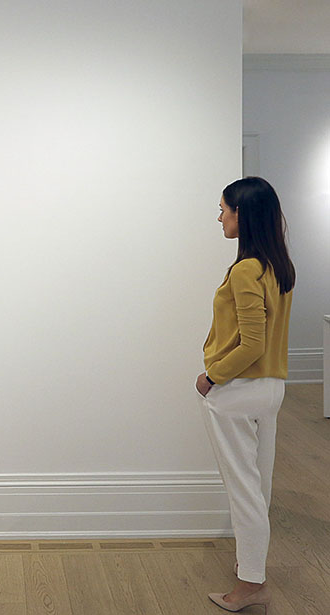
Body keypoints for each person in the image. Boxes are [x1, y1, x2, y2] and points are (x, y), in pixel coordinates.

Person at [195, 176, 295, 613]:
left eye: (223, 209)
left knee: (244, 491)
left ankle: (250, 585)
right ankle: (251, 572)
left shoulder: (245, 269)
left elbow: (251, 343)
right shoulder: (278, 266)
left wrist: (212, 376)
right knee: (260, 487)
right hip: (271, 389)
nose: (219, 216)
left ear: (243, 214)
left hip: (238, 391)